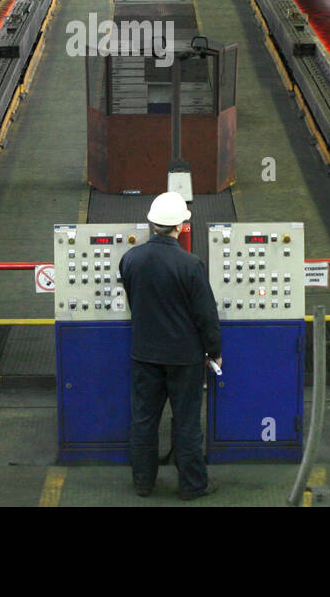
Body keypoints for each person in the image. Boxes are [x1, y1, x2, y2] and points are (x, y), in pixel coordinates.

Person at [119, 191, 222, 500]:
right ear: (180, 226)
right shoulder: (190, 264)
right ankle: (192, 486)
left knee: (144, 420)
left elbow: (134, 301)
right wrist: (214, 351)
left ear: (152, 224)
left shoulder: (130, 259)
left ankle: (143, 483)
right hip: (184, 358)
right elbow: (206, 314)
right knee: (187, 422)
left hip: (145, 354)